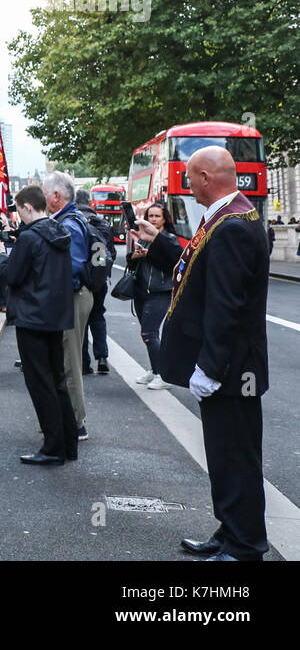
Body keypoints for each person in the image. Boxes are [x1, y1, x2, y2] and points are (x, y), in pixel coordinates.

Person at [134, 147, 270, 561]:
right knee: (225, 456)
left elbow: (224, 304)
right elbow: (196, 266)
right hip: (230, 368)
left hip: (231, 370)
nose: (188, 186)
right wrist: (158, 242)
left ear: (208, 178)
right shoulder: (228, 218)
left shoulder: (231, 226)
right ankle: (231, 530)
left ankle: (245, 545)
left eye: (191, 179)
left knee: (236, 458)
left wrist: (210, 367)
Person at [0, 185, 76, 465]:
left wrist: (1, 253)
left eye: (19, 209)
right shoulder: (59, 231)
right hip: (55, 316)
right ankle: (68, 442)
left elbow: (12, 276)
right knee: (57, 380)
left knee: (40, 383)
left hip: (32, 317)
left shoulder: (29, 238)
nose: (18, 215)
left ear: (28, 207)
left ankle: (53, 447)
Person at [43, 170, 91, 441]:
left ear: (57, 197)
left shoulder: (68, 224)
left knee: (70, 362)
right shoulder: (67, 219)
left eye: (45, 193)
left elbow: (70, 268)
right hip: (73, 296)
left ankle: (76, 422)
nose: (44, 198)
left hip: (72, 297)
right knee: (65, 360)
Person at [127, 201, 175, 390]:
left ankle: (163, 375)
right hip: (141, 291)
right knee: (146, 334)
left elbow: (171, 264)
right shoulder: (144, 237)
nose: (153, 219)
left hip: (159, 291)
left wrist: (149, 254)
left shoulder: (168, 239)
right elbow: (133, 265)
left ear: (164, 219)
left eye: (157, 216)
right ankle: (155, 370)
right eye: (150, 216)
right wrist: (135, 256)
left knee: (149, 332)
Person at [74, 191, 114, 375]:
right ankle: (103, 357)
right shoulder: (102, 223)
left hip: (82, 279)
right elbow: (109, 254)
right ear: (90, 202)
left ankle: (84, 363)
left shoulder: (74, 222)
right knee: (98, 315)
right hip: (99, 279)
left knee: (80, 320)